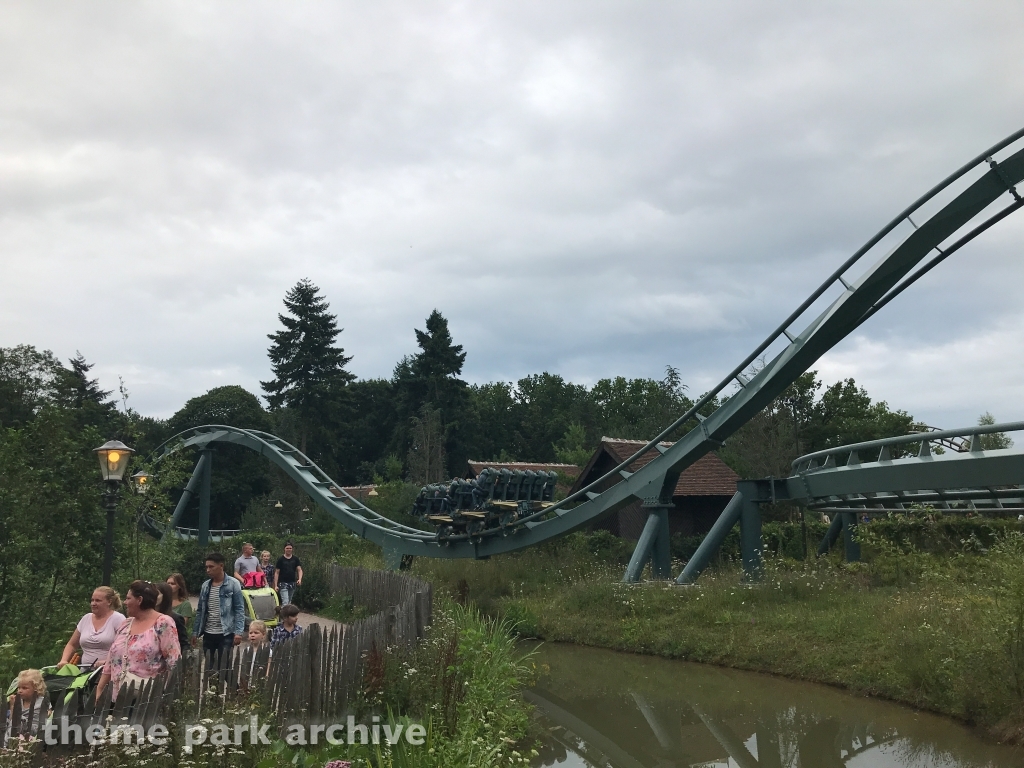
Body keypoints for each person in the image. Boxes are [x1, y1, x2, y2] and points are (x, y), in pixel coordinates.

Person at [95, 581, 181, 702]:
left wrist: (167, 695)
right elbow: (111, 659)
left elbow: (173, 660)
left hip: (147, 699)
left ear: (139, 600)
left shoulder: (163, 622)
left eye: (128, 598)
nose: (125, 602)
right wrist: (100, 688)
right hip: (117, 698)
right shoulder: (126, 624)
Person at [192, 552, 245, 667]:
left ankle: (231, 680)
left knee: (224, 666)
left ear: (221, 566)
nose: (208, 570)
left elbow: (239, 609)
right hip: (208, 632)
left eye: (211, 567)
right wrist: (195, 632)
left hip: (226, 633)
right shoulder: (205, 586)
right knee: (210, 666)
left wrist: (238, 632)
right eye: (206, 567)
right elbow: (200, 610)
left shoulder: (233, 584)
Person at [59, 586, 126, 670]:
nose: (93, 603)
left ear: (109, 602)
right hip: (85, 672)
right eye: (92, 600)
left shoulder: (118, 619)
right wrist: (64, 660)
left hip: (109, 671)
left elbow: (125, 647)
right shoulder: (86, 618)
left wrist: (108, 661)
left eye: (98, 600)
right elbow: (72, 644)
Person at [6, 669, 50, 742]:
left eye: (24, 688)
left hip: (33, 729)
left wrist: (47, 713)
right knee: (8, 720)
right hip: (17, 728)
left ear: (36, 688)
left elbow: (49, 716)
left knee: (19, 719)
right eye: (19, 688)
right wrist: (12, 706)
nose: (20, 691)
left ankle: (5, 744)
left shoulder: (42, 701)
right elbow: (12, 719)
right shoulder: (19, 701)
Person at [156, 582, 189, 649]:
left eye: (157, 594)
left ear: (165, 596)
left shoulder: (175, 618)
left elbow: (183, 643)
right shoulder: (147, 616)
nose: (154, 596)